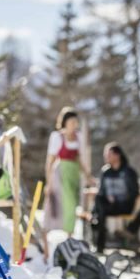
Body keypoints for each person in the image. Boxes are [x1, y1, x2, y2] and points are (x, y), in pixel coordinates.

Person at [43, 107, 93, 259]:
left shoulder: (78, 137)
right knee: (56, 206)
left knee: (72, 208)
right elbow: (50, 161)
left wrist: (88, 176)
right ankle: (46, 245)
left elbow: (81, 159)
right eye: (72, 121)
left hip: (73, 175)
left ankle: (68, 241)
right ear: (65, 122)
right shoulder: (57, 137)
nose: (74, 124)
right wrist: (48, 182)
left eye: (76, 122)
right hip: (59, 175)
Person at [91, 142, 139, 253]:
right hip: (107, 206)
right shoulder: (105, 172)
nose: (106, 158)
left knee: (99, 215)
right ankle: (96, 219)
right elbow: (101, 192)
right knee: (99, 205)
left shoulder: (128, 172)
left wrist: (117, 199)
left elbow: (134, 193)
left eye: (108, 155)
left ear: (117, 155)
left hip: (124, 206)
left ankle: (99, 245)